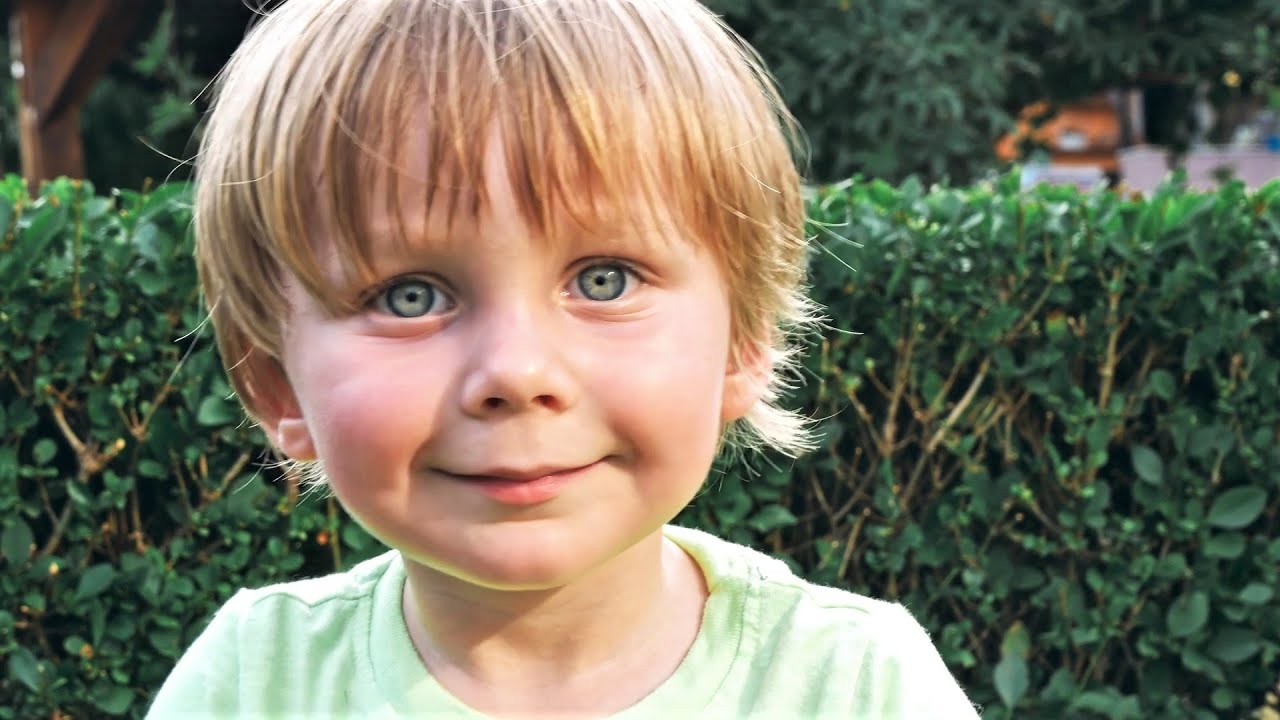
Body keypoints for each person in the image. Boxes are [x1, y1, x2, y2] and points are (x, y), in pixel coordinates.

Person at [148, 0, 981, 717]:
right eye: (410, 295)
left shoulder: (861, 686)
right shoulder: (251, 681)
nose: (517, 372)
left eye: (605, 279)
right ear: (273, 383)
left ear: (744, 339)